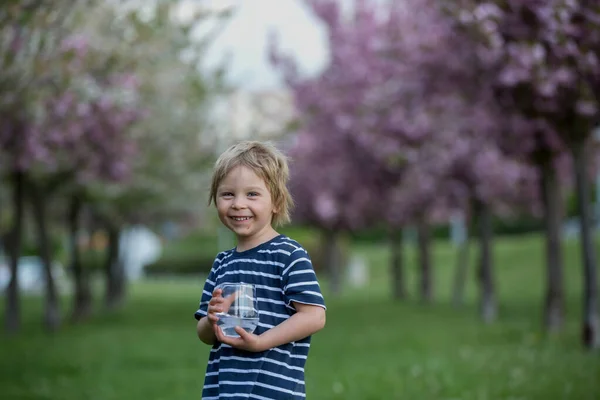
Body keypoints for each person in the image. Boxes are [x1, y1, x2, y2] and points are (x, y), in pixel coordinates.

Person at [194, 140, 327, 399]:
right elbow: (205, 335)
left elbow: (314, 316)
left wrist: (261, 342)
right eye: (227, 194)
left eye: (252, 194)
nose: (238, 204)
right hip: (223, 392)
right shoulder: (222, 262)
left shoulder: (289, 254)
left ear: (276, 202)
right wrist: (211, 320)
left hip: (272, 391)